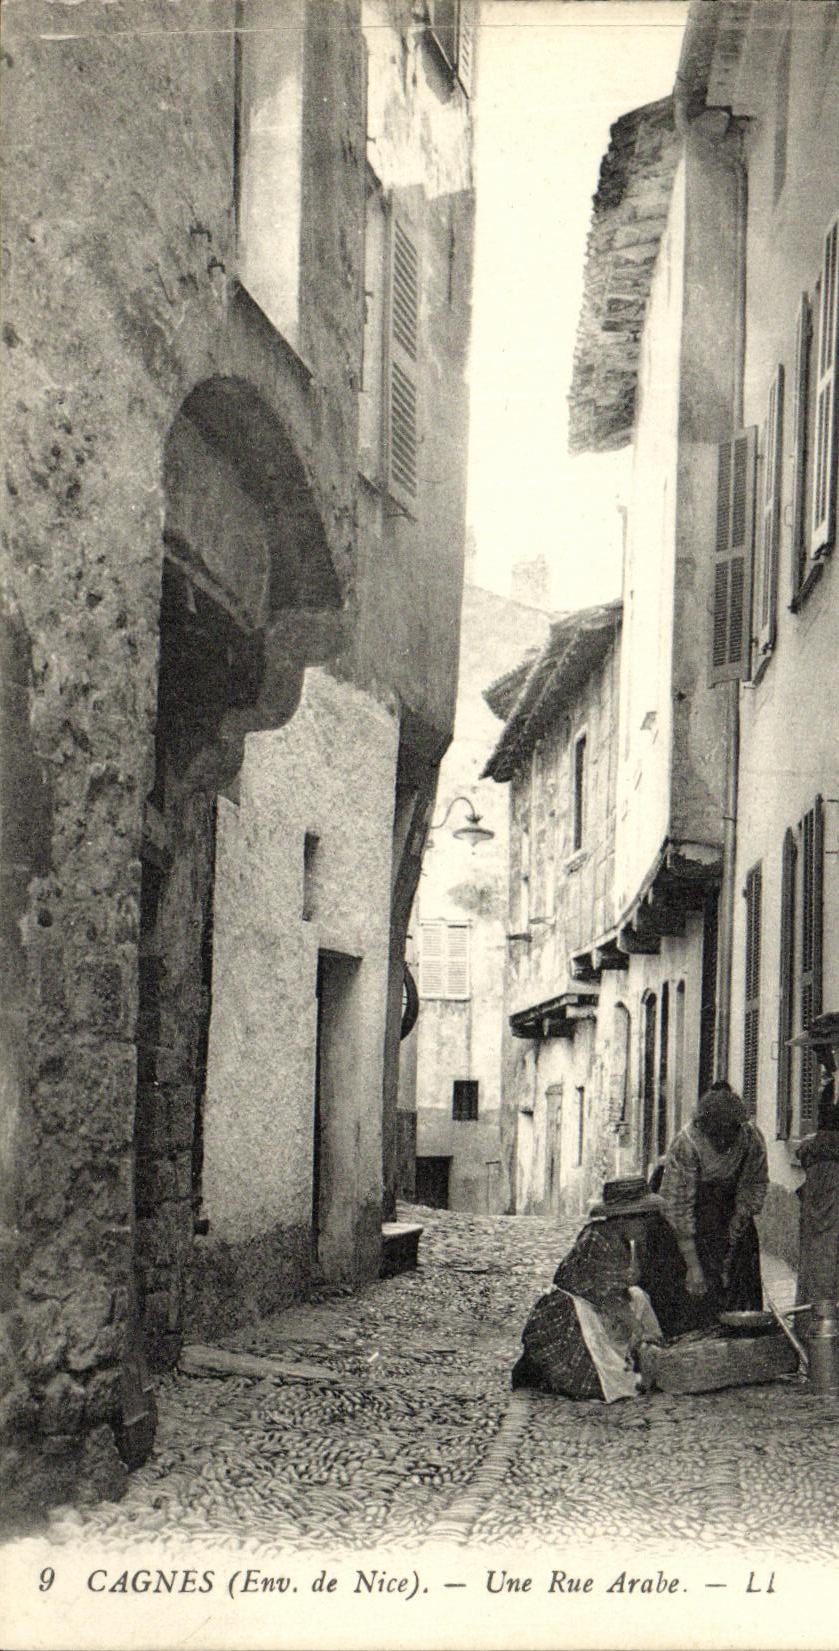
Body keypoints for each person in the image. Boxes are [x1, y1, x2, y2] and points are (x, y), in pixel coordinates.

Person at [645, 1081, 769, 1335]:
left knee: (738, 1277)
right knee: (687, 1285)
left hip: (729, 1211)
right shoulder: (687, 1143)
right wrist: (693, 1267)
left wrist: (734, 1234)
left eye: (729, 1133)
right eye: (717, 1134)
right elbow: (679, 1208)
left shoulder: (750, 1139)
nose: (723, 1140)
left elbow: (753, 1186)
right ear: (704, 1127)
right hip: (689, 1216)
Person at [512, 1205, 663, 1402]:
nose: (645, 1226)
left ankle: (649, 1357)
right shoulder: (598, 1240)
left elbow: (623, 1288)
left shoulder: (623, 1239)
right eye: (641, 1220)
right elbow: (611, 1300)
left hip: (598, 1304)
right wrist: (641, 1332)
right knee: (609, 1377)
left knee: (639, 1297)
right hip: (575, 1310)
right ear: (622, 1218)